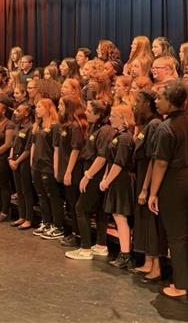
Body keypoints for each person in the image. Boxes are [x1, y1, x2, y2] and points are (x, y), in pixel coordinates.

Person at [149, 81, 188, 299]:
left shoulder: (165, 128)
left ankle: (181, 285)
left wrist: (153, 193)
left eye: (159, 98)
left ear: (171, 102)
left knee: (177, 236)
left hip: (174, 182)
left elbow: (161, 163)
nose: (156, 101)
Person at [66, 100, 114, 260]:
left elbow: (101, 157)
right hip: (91, 169)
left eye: (88, 110)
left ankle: (85, 248)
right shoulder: (95, 127)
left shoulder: (106, 131)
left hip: (95, 173)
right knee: (99, 210)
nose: (85, 112)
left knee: (81, 208)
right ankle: (101, 245)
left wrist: (88, 176)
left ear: (98, 114)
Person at [131, 89, 165, 283]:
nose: (135, 105)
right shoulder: (146, 124)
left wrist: (145, 188)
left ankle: (157, 267)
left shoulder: (155, 124)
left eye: (139, 102)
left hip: (149, 177)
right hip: (142, 172)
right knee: (144, 219)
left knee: (152, 223)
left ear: (148, 104)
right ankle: (147, 261)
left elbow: (153, 159)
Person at [100, 105, 135, 269]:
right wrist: (106, 177)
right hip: (116, 179)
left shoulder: (125, 138)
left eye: (114, 116)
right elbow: (111, 160)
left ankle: (125, 253)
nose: (110, 118)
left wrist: (107, 180)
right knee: (117, 215)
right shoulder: (118, 136)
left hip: (122, 180)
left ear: (123, 118)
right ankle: (125, 252)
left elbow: (119, 163)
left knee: (120, 216)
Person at [55, 97, 87, 247]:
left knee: (74, 203)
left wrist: (68, 172)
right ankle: (74, 232)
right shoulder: (65, 126)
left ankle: (78, 235)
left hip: (73, 170)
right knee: (69, 203)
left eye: (61, 104)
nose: (59, 106)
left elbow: (75, 150)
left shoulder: (75, 127)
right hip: (65, 168)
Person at [30, 98, 63, 239]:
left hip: (47, 166)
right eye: (36, 107)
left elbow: (56, 149)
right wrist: (32, 161)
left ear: (48, 108)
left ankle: (58, 226)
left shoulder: (55, 126)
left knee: (52, 196)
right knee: (41, 195)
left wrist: (56, 169)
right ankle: (46, 221)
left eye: (39, 107)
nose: (36, 109)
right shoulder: (37, 126)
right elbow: (33, 145)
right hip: (36, 165)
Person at [9, 102, 35, 229]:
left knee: (26, 191)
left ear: (27, 113)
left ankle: (29, 218)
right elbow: (13, 144)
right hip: (14, 160)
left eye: (19, 111)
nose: (15, 112)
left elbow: (28, 149)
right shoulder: (17, 126)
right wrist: (10, 158)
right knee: (19, 190)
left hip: (23, 161)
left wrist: (17, 161)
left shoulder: (30, 128)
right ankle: (21, 216)